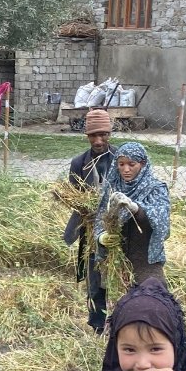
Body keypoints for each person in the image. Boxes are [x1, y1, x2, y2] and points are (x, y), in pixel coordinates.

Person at [88, 142, 171, 334]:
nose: (126, 169)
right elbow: (100, 217)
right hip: (118, 260)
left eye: (131, 164)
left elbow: (162, 220)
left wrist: (137, 209)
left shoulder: (155, 188)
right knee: (121, 305)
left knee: (153, 299)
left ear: (142, 164)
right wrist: (102, 236)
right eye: (121, 164)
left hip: (145, 260)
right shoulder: (112, 188)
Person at [63, 108, 118, 287]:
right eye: (92, 135)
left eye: (102, 135)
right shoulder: (79, 163)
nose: (98, 140)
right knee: (94, 282)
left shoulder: (120, 159)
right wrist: (87, 208)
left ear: (109, 133)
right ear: (87, 136)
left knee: (117, 280)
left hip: (117, 229)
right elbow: (75, 197)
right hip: (90, 229)